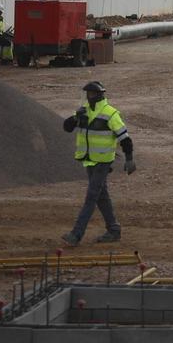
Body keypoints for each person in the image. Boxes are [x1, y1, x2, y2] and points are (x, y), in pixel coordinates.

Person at [61, 82, 135, 246]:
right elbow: (67, 127)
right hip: (89, 160)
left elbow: (125, 138)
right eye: (86, 94)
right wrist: (75, 118)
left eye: (91, 94)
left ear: (99, 95)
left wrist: (129, 158)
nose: (88, 97)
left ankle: (76, 234)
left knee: (91, 196)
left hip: (103, 161)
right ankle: (113, 229)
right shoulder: (83, 112)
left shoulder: (110, 113)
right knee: (101, 196)